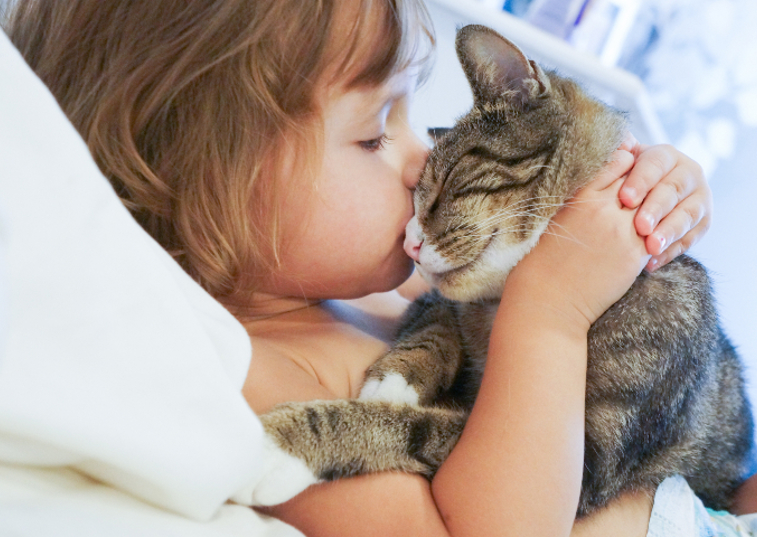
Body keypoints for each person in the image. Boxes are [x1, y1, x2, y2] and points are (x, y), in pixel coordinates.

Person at [4, 0, 751, 536]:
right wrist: (547, 314)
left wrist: (648, 190)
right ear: (208, 180)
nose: (423, 158)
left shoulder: (371, 288)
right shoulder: (252, 372)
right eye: (372, 135)